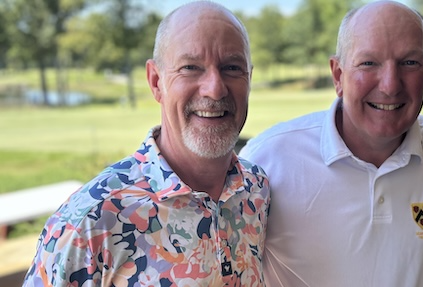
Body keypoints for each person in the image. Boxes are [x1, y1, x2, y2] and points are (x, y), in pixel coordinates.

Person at [239, 1, 423, 286]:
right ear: (338, 75)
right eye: (369, 63)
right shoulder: (267, 159)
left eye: (409, 63)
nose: (390, 85)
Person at [23, 2, 270, 286]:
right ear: (156, 82)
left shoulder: (256, 191)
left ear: (249, 78)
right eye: (190, 67)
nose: (214, 88)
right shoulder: (91, 222)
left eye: (231, 67)